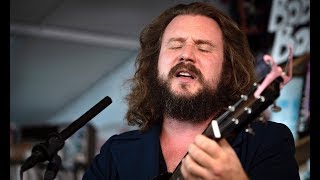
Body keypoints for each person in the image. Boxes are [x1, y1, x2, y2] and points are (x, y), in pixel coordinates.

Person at [83, 2, 300, 180]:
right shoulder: (114, 155)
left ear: (227, 71)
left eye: (203, 47)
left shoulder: (268, 142)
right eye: (175, 45)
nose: (186, 54)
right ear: (155, 65)